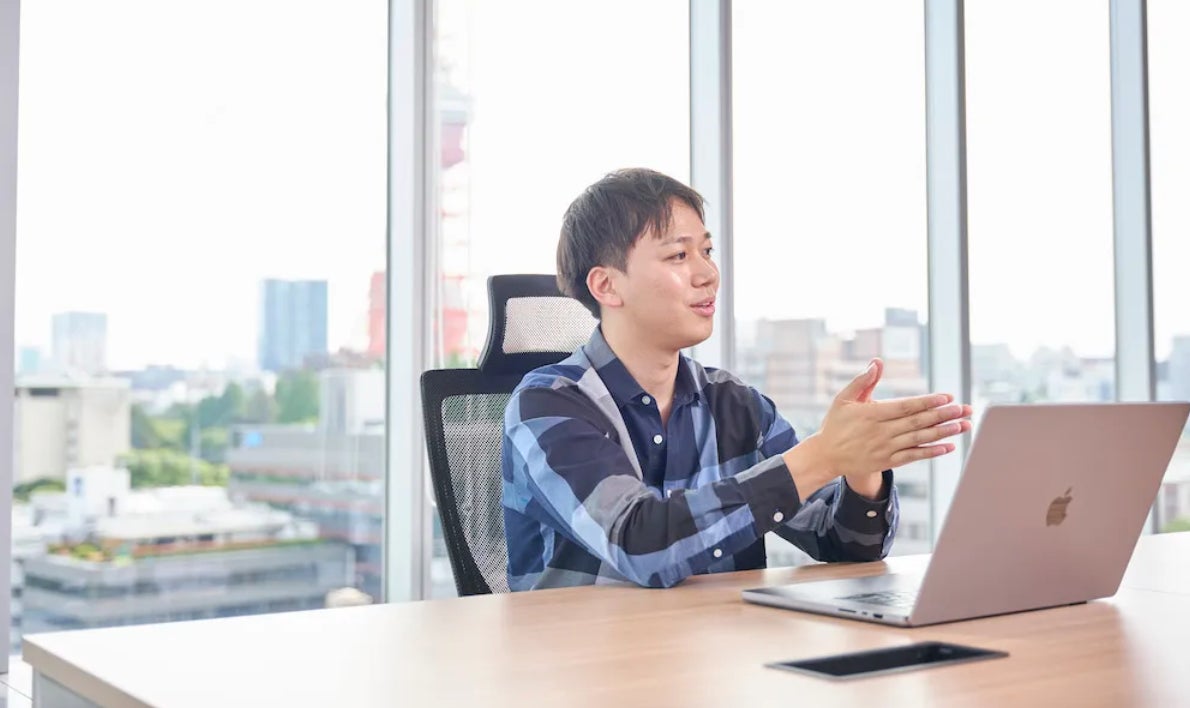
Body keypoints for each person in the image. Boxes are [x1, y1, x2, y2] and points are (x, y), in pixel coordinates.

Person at [501, 168, 971, 591]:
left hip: (718, 650)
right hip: (583, 655)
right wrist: (823, 455)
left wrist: (860, 465)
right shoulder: (547, 404)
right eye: (678, 255)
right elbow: (640, 543)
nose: (708, 273)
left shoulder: (735, 404)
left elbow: (849, 545)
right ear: (606, 285)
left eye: (706, 251)